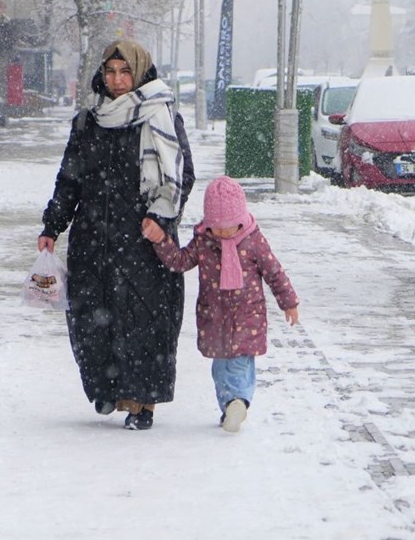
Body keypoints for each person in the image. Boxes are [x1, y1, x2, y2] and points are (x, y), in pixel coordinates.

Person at [39, 39, 195, 431]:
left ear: (140, 72)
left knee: (144, 322)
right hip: (93, 239)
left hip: (143, 242)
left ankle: (143, 402)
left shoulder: (159, 116)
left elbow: (181, 175)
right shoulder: (88, 121)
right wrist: (52, 225)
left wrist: (161, 218)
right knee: (93, 320)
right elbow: (70, 179)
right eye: (110, 72)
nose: (117, 80)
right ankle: (107, 388)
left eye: (125, 71)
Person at [142, 176, 300, 433]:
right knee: (219, 369)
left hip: (247, 317)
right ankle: (229, 407)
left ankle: (237, 401)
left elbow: (274, 272)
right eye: (218, 227)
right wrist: (161, 240)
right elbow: (180, 262)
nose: (224, 233)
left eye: (229, 227)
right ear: (209, 223)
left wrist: (288, 302)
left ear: (240, 218)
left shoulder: (253, 240)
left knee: (239, 364)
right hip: (215, 318)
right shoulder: (205, 241)